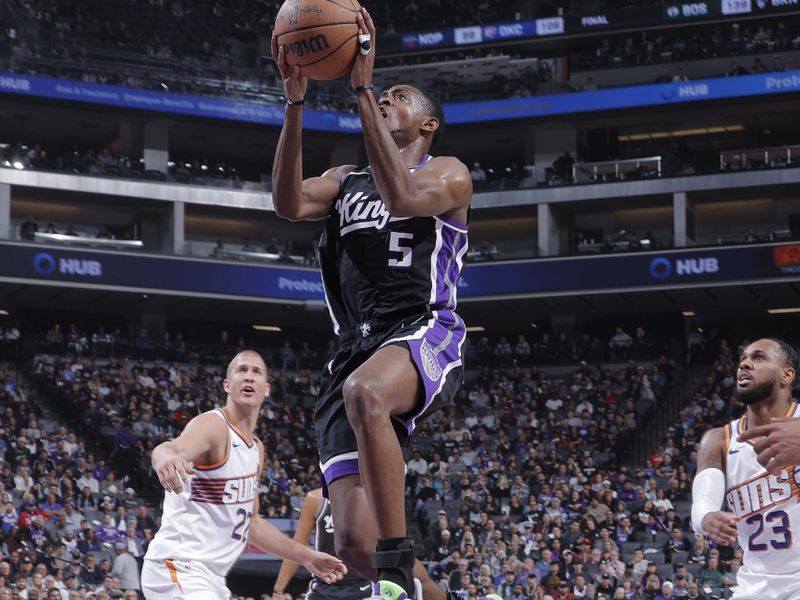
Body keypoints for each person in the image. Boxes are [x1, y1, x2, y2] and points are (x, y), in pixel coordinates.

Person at [271, 8, 471, 600]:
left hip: (423, 328)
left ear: (429, 123)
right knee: (352, 544)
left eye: (399, 96)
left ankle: (394, 559)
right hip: (352, 347)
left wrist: (361, 86)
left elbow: (405, 197)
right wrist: (295, 103)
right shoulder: (345, 179)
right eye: (382, 93)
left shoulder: (449, 172)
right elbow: (286, 203)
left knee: (368, 393)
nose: (387, 97)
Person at [141, 350, 346, 599]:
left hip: (210, 578)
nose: (249, 377)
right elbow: (173, 447)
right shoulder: (214, 426)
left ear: (266, 388)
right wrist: (162, 456)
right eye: (241, 370)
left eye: (256, 372)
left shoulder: (256, 449)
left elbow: (252, 524)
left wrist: (306, 556)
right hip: (178, 566)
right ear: (227, 385)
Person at [691, 338, 800, 599]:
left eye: (759, 357)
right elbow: (703, 502)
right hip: (755, 585)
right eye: (743, 359)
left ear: (787, 374)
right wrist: (707, 519)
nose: (745, 364)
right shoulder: (718, 439)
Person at [272, 489, 371, 599]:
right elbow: (297, 546)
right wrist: (278, 590)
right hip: (322, 587)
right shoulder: (315, 499)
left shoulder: (370, 496)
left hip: (363, 587)